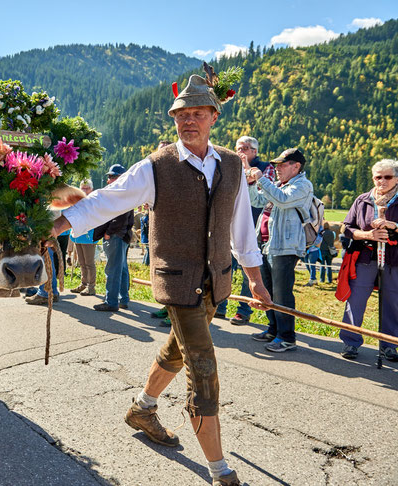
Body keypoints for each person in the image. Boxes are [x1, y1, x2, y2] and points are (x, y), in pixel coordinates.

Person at [53, 71, 271, 486]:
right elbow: (107, 199)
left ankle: (142, 406)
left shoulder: (231, 165)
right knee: (202, 367)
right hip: (177, 281)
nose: (188, 121)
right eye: (181, 114)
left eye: (197, 113)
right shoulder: (156, 166)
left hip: (217, 281)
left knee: (177, 349)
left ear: (213, 117)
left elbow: (242, 229)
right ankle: (219, 469)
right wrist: (57, 225)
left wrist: (256, 282)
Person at [247, 148, 313, 352]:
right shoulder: (278, 184)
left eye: (282, 165)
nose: (277, 169)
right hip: (267, 245)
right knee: (268, 290)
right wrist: (251, 183)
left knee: (282, 294)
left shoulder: (302, 185)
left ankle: (287, 337)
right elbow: (256, 201)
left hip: (284, 246)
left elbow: (282, 200)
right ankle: (273, 329)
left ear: (296, 166)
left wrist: (261, 179)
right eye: (275, 165)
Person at [338, 159, 398, 361]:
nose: (382, 181)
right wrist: (368, 235)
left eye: (387, 177)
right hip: (364, 258)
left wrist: (393, 226)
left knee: (392, 303)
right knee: (355, 301)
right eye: (377, 177)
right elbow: (346, 228)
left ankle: (390, 345)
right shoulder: (363, 200)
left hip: (393, 260)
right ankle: (350, 342)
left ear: (396, 178)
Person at [215, 136, 275, 324]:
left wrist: (249, 173)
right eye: (238, 148)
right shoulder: (231, 167)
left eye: (246, 148)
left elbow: (266, 194)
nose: (241, 151)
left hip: (255, 222)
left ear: (255, 152)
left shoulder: (266, 168)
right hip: (231, 220)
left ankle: (243, 311)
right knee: (226, 266)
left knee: (249, 268)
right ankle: (221, 305)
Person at [91, 164, 134, 312]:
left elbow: (119, 217)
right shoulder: (125, 192)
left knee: (113, 270)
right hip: (122, 236)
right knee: (121, 269)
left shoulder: (120, 193)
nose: (110, 179)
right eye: (110, 176)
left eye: (113, 176)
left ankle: (111, 301)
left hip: (116, 236)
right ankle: (123, 298)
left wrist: (108, 233)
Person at [69, 180, 97, 296]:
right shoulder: (77, 200)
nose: (84, 190)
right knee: (81, 262)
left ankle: (91, 286)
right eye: (83, 188)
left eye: (87, 188)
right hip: (78, 235)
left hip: (89, 235)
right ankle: (83, 283)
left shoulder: (94, 201)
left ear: (91, 189)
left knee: (89, 262)